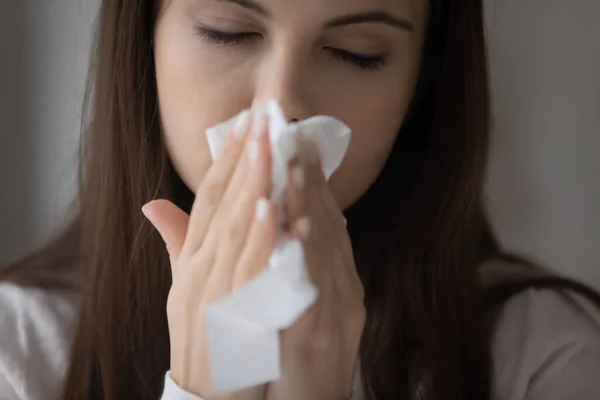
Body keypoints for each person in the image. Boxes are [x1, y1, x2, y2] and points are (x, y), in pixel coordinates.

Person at [1, 0, 599, 399]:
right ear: (143, 42)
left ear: (421, 83)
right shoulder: (18, 354)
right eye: (227, 32)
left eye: (356, 52)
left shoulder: (541, 358)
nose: (277, 108)